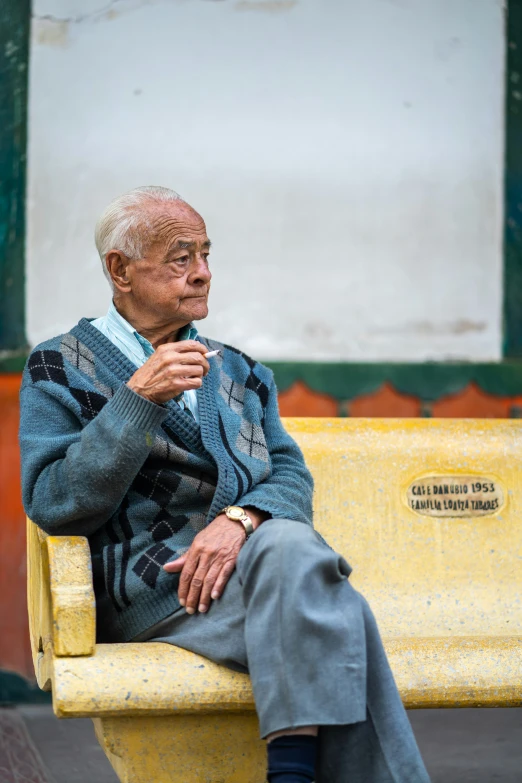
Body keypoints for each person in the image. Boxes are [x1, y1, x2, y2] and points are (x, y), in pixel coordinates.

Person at [19, 186, 430, 783]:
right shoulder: (58, 365)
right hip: (158, 594)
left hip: (260, 572)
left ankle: (288, 774)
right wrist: (136, 401)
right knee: (339, 613)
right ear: (120, 270)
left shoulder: (241, 371)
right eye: (181, 258)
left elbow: (290, 474)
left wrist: (239, 521)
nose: (204, 274)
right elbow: (55, 503)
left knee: (293, 553)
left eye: (207, 255)